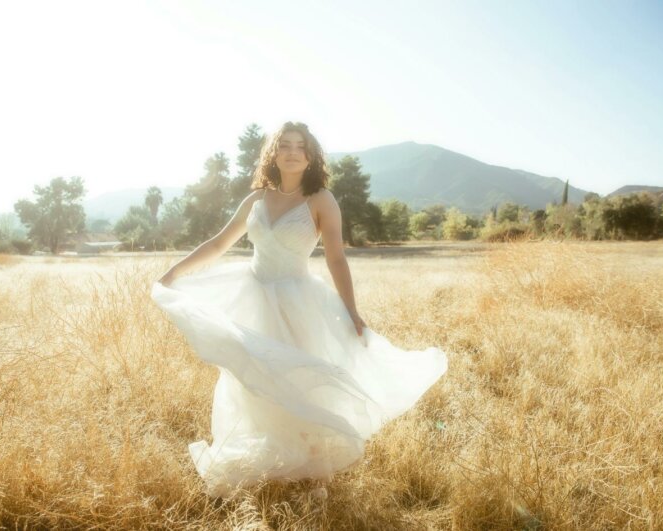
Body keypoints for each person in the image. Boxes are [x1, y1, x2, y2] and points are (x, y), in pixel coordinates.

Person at [152, 121, 448, 499]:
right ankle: (277, 467)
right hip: (254, 298)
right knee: (254, 383)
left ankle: (316, 479)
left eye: (300, 146)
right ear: (273, 153)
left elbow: (336, 258)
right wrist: (174, 272)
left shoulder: (321, 199)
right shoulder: (257, 198)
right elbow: (218, 243)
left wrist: (351, 310)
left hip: (297, 302)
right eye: (285, 145)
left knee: (303, 386)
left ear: (311, 156)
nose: (292, 152)